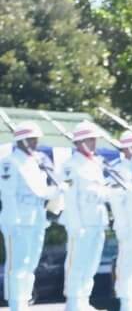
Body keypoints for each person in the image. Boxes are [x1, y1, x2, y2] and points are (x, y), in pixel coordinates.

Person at [0, 123, 59, 311]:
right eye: (32, 139)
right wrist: (12, 223)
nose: (35, 142)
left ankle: (24, 301)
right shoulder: (9, 162)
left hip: (37, 218)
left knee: (31, 265)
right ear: (22, 140)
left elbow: (43, 190)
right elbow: (7, 195)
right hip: (18, 219)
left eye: (36, 139)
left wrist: (57, 190)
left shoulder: (37, 160)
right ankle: (16, 304)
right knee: (17, 265)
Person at [60, 123, 114, 311]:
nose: (94, 143)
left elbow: (101, 191)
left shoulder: (95, 163)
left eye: (94, 139)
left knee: (91, 264)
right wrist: (75, 225)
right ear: (80, 142)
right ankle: (73, 302)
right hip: (80, 222)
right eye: (90, 139)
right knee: (76, 263)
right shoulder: (70, 166)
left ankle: (84, 299)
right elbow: (70, 197)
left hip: (97, 220)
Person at [108, 131, 132, 311]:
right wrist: (122, 226)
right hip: (128, 225)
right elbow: (115, 201)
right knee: (127, 264)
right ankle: (126, 301)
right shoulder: (118, 169)